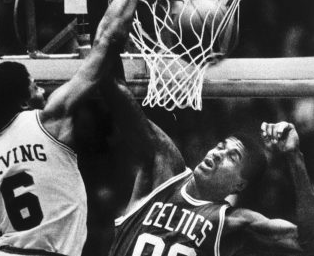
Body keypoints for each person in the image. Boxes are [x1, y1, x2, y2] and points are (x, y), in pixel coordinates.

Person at [0, 0, 149, 255]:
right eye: (35, 86)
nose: (42, 91)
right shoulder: (47, 119)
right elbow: (107, 41)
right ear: (24, 103)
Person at [98, 50, 314, 256]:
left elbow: (308, 243)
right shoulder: (165, 171)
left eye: (232, 156)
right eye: (221, 146)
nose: (219, 153)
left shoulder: (233, 223)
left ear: (239, 185)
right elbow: (117, 94)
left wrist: (294, 157)